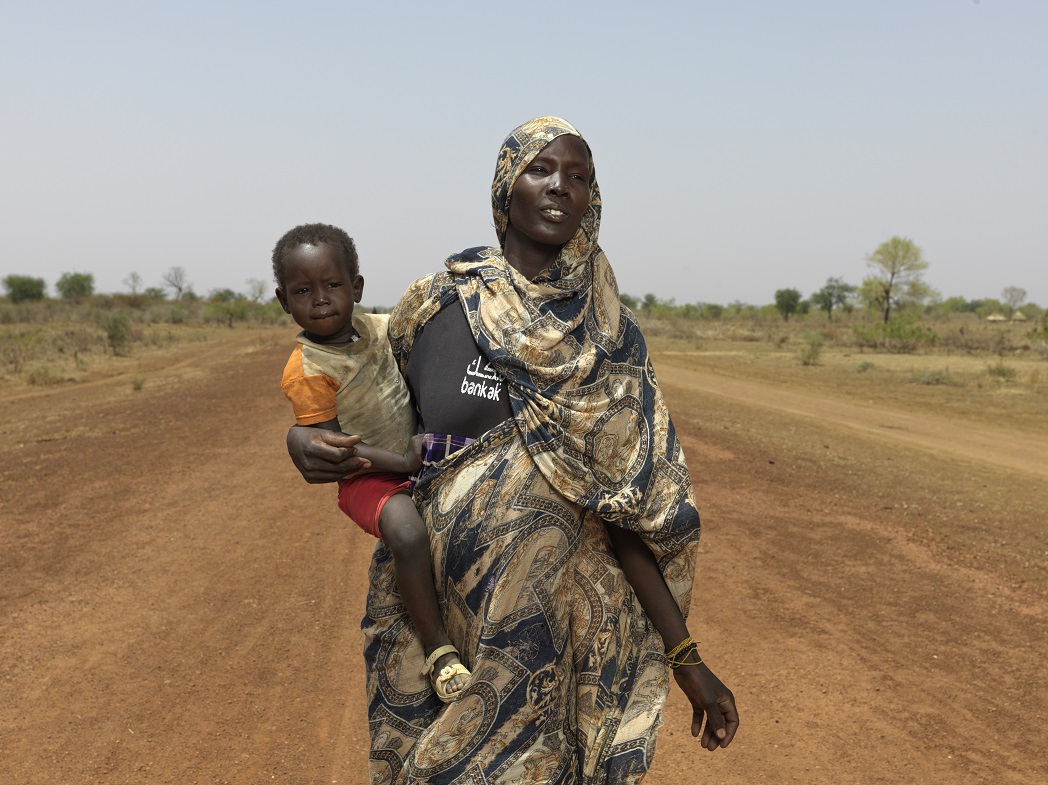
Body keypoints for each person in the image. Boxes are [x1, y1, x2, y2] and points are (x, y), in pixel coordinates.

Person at [287, 118, 739, 783]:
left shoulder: (607, 339)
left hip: (547, 644)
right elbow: (356, 402)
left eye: (579, 176)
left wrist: (687, 657)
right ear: (506, 185)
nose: (561, 186)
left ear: (592, 200)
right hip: (437, 620)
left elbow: (624, 509)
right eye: (541, 169)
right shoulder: (433, 306)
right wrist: (299, 436)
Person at [273, 222, 469, 701]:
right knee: (407, 533)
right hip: (369, 477)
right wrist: (403, 461)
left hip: (413, 460)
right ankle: (439, 649)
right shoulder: (307, 368)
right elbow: (339, 449)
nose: (320, 300)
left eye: (333, 285)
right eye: (303, 291)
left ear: (356, 287)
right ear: (284, 301)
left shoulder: (383, 329)